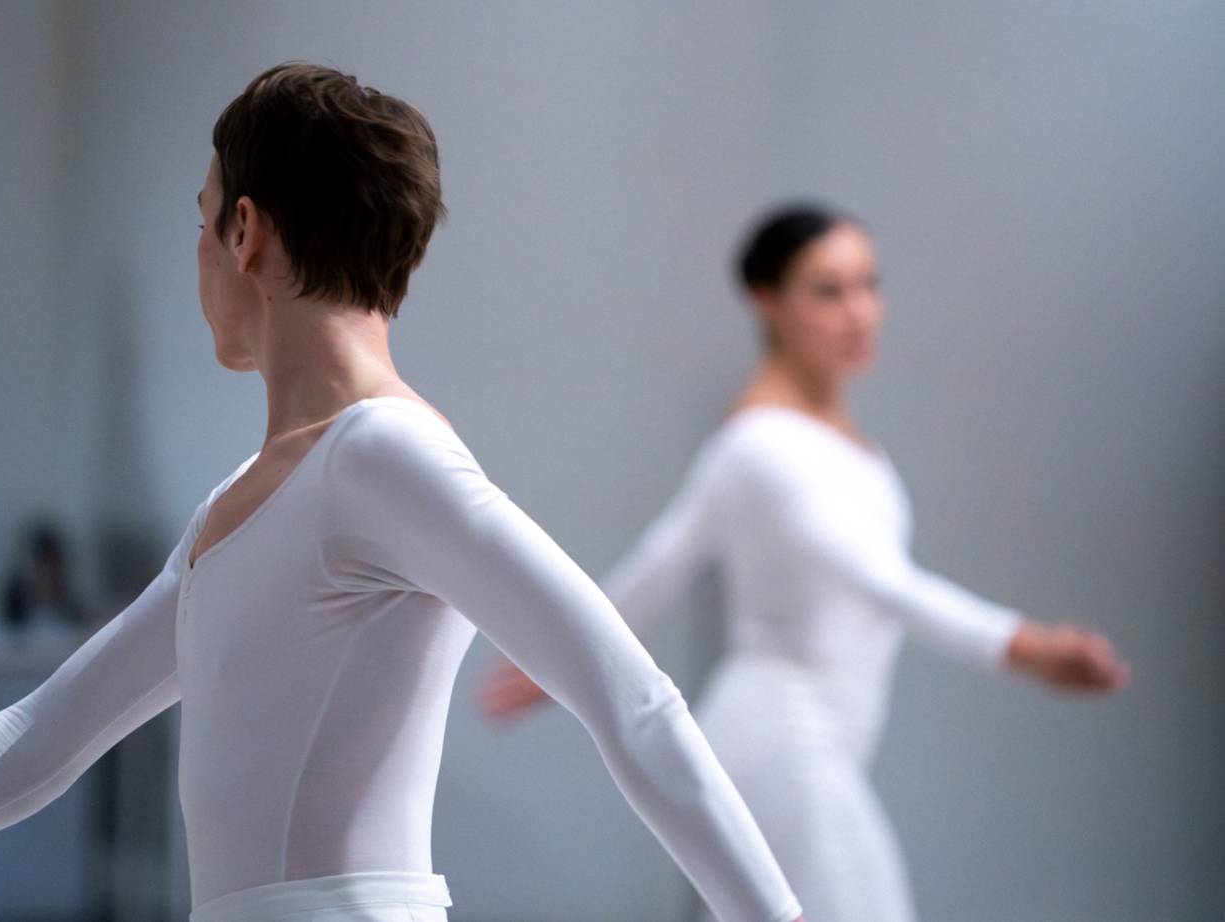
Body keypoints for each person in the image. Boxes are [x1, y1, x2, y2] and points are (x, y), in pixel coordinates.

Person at [0, 64, 804, 922]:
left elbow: (631, 698)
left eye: (203, 217)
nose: (202, 252)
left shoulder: (382, 456)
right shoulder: (249, 499)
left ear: (247, 231)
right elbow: (19, 752)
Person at [483, 205, 1129, 922]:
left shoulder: (824, 445)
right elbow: (876, 581)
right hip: (782, 739)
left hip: (808, 745)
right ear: (767, 300)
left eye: (868, 285)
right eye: (828, 291)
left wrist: (569, 650)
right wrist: (1027, 646)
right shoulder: (760, 446)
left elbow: (656, 567)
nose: (860, 313)